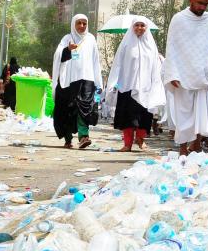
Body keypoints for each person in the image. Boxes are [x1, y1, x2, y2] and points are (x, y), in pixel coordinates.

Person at [163, 0, 208, 156]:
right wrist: (172, 73)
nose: (202, 7)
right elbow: (172, 47)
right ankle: (183, 148)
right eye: (199, 3)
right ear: (191, 0)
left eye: (205, 4)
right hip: (183, 73)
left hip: (204, 72)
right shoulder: (179, 19)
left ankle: (197, 142)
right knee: (184, 112)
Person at [109, 17, 165, 152]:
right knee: (127, 117)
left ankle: (141, 140)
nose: (139, 28)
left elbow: (155, 68)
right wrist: (113, 83)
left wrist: (156, 86)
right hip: (127, 86)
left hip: (146, 88)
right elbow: (117, 65)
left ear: (146, 28)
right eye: (137, 25)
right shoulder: (126, 45)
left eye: (142, 25)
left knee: (144, 117)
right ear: (132, 27)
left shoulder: (151, 47)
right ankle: (127, 144)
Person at [51, 14, 103, 149]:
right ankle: (68, 139)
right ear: (74, 24)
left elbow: (96, 61)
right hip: (68, 81)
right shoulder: (67, 38)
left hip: (87, 79)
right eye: (79, 23)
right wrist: (68, 49)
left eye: (84, 23)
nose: (81, 26)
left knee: (84, 108)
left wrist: (98, 82)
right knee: (68, 109)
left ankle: (83, 136)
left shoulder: (91, 39)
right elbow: (58, 56)